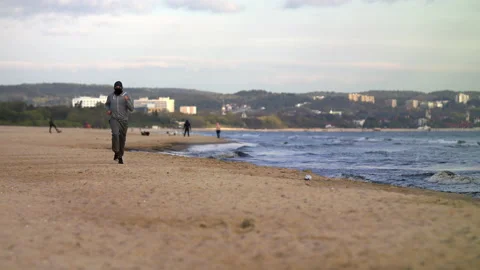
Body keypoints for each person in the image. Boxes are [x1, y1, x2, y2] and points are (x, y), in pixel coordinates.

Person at [105, 81, 134, 164]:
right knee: (115, 134)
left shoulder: (126, 95)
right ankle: (116, 151)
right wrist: (108, 110)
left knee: (122, 139)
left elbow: (131, 108)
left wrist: (127, 101)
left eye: (119, 87)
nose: (117, 89)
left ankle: (120, 156)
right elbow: (107, 104)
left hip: (124, 121)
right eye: (116, 87)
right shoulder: (110, 96)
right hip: (114, 119)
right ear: (114, 88)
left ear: (121, 88)